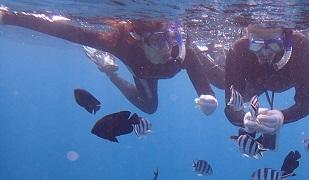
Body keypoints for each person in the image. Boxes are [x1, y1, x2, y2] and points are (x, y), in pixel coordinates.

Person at [0, 7, 218, 115]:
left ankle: (109, 72)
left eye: (170, 37)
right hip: (141, 70)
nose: (167, 47)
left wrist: (208, 101)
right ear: (139, 41)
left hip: (145, 70)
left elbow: (205, 89)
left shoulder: (180, 50)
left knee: (150, 107)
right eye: (158, 40)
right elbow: (62, 30)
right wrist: (10, 17)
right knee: (150, 107)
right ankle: (110, 72)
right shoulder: (121, 46)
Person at [214, 23, 309, 150]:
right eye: (256, 46)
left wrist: (282, 116)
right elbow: (230, 108)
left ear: (284, 39)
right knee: (223, 83)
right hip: (256, 81)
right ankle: (214, 50)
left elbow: (305, 103)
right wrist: (244, 118)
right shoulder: (238, 49)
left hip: (292, 73)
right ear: (248, 40)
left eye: (274, 45)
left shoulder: (298, 43)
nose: (265, 53)